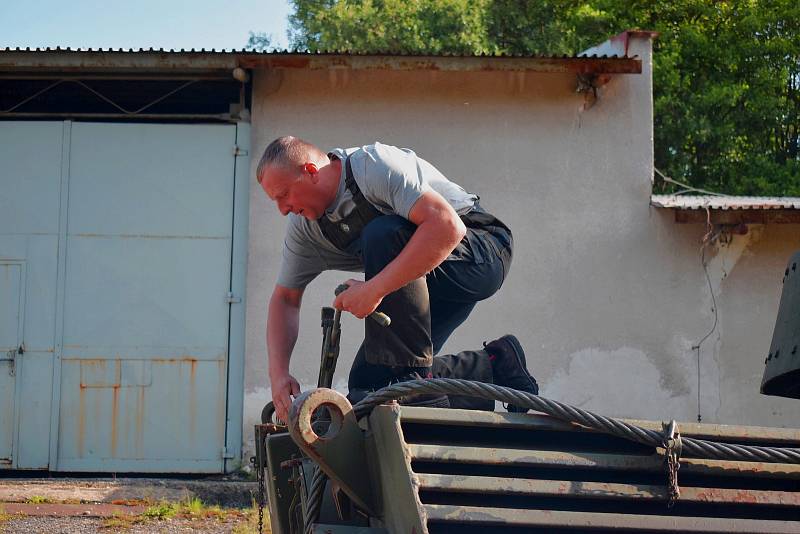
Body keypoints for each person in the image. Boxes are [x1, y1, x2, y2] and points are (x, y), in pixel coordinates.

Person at [257, 136, 539, 421]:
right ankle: (496, 363)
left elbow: (447, 228)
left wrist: (374, 289)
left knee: (382, 233)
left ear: (310, 172)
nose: (282, 209)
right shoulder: (305, 230)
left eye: (284, 195)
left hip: (481, 252)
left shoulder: (372, 168)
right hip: (418, 283)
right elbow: (285, 299)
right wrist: (278, 374)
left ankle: (420, 389)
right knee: (369, 385)